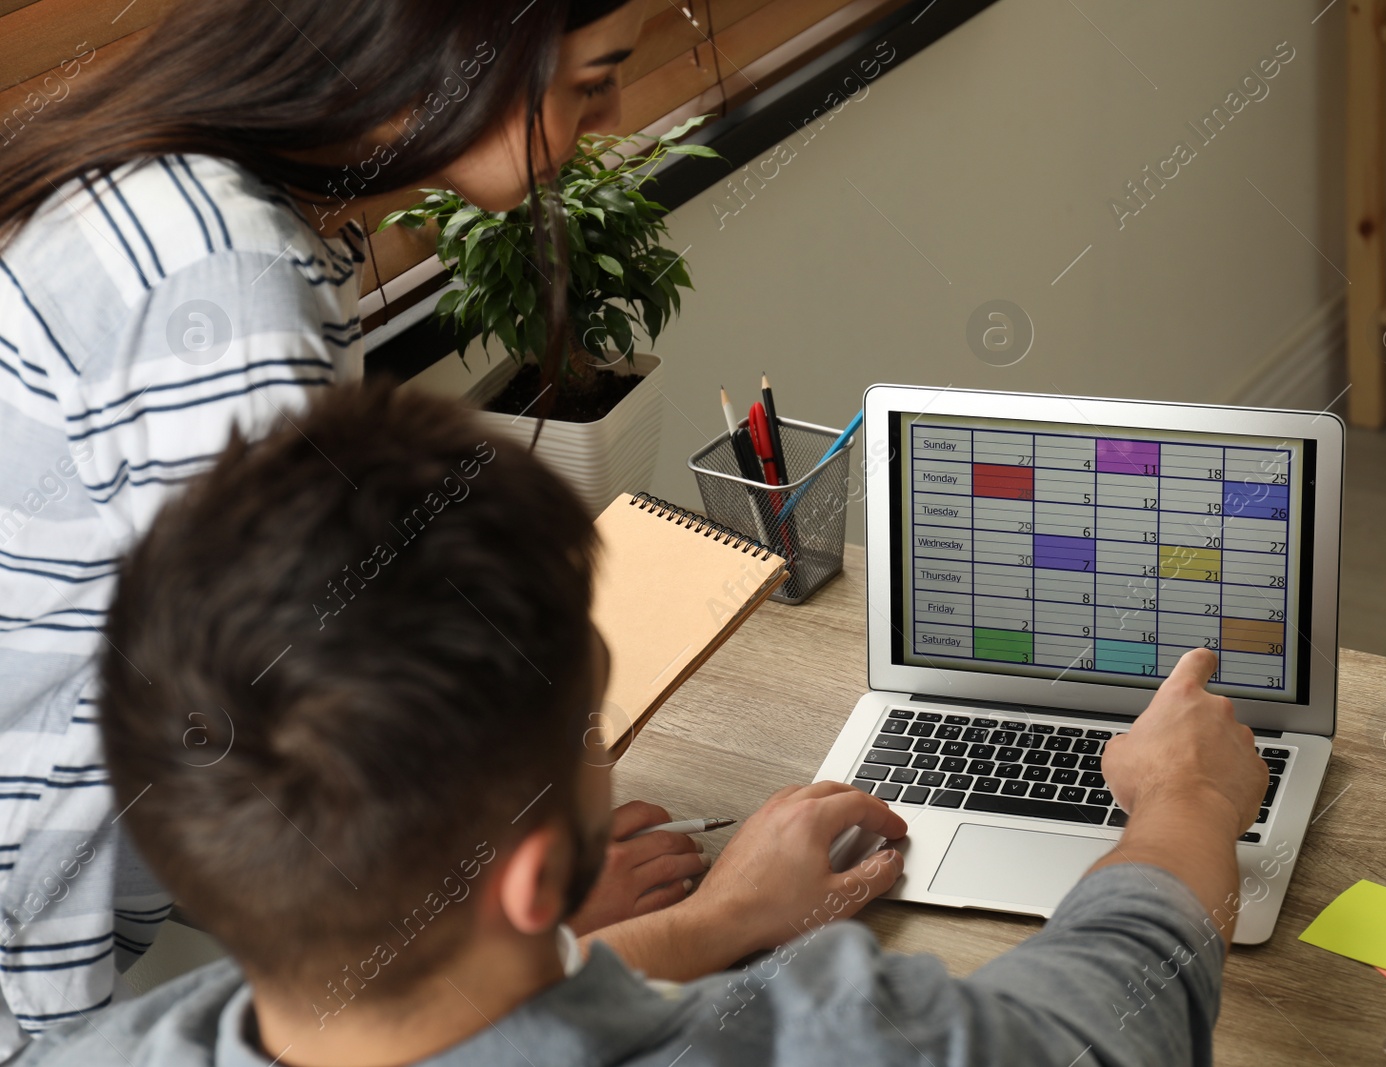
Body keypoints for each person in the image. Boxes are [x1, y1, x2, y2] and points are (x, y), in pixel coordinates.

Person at [16, 381, 1270, 1066]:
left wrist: (710, 920)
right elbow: (1105, 1026)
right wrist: (1186, 808)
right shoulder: (833, 1032)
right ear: (532, 878)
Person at [0, 0, 702, 1052]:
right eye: (592, 79)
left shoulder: (200, 206)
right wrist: (552, 927)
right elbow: (287, 731)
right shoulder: (223, 285)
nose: (605, 119)